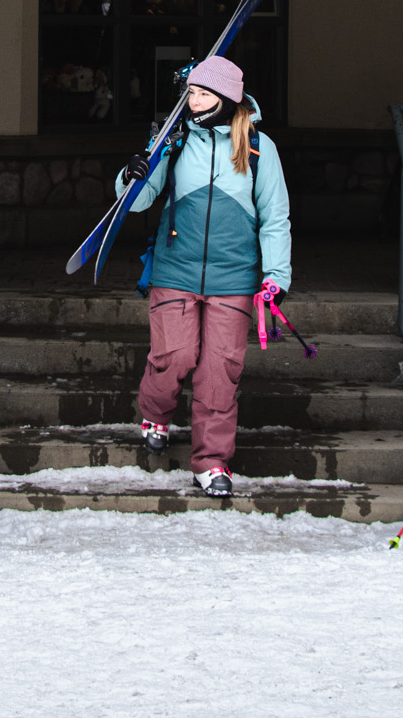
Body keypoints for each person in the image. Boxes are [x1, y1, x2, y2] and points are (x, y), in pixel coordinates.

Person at [120, 54, 291, 499]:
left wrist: (276, 276)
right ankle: (156, 412)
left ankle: (212, 462)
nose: (190, 101)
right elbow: (137, 202)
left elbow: (275, 217)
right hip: (175, 268)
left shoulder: (257, 147)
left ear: (223, 98)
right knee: (174, 356)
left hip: (234, 278)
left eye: (199, 94)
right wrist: (132, 174)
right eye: (190, 92)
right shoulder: (173, 140)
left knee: (220, 371)